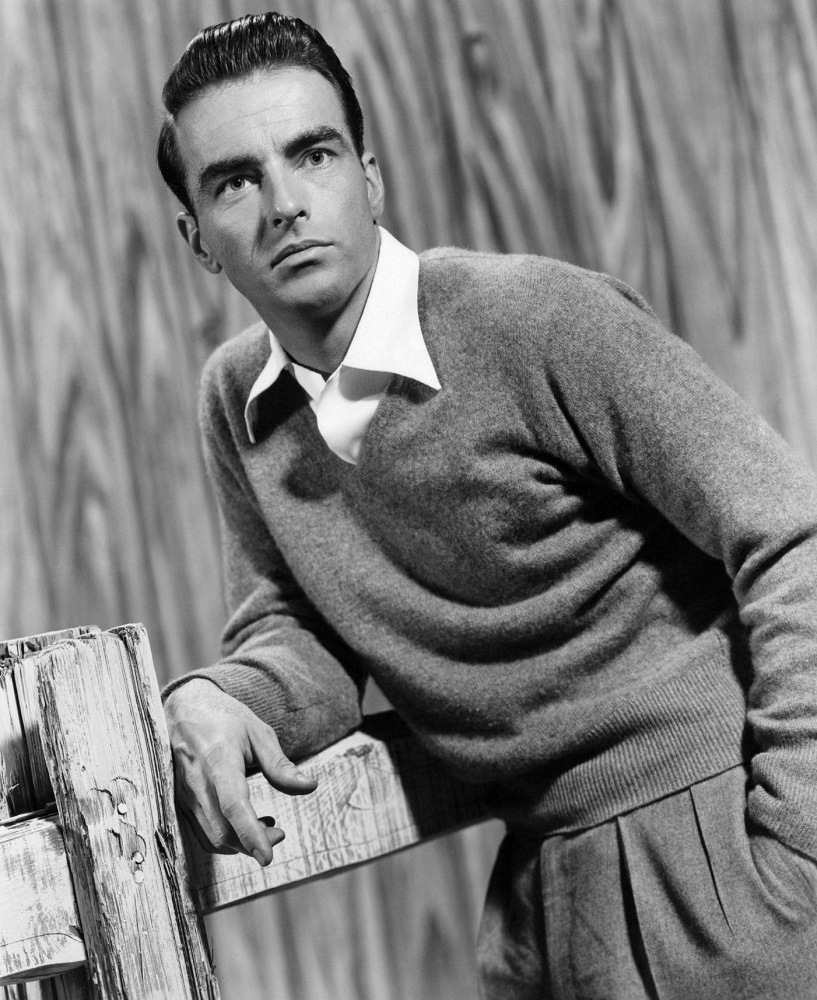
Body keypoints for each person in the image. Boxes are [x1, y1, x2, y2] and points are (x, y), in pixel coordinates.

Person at [157, 12, 817, 999]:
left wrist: (799, 848)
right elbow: (301, 637)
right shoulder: (236, 401)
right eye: (235, 181)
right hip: (540, 891)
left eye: (313, 154)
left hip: (719, 846)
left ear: (369, 177)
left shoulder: (536, 317)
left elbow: (791, 531)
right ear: (198, 240)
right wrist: (215, 698)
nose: (284, 204)